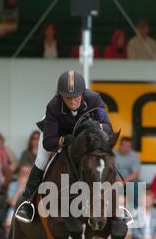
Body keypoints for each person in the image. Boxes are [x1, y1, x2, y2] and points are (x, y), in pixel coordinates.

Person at [15, 69, 113, 223]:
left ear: (83, 92)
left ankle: (116, 206)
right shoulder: (53, 106)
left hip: (83, 135)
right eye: (68, 98)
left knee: (104, 160)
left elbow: (108, 127)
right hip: (57, 133)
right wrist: (62, 141)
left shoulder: (94, 99)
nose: (73, 102)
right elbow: (49, 142)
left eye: (76, 97)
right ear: (61, 95)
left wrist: (97, 128)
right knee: (41, 160)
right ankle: (27, 203)